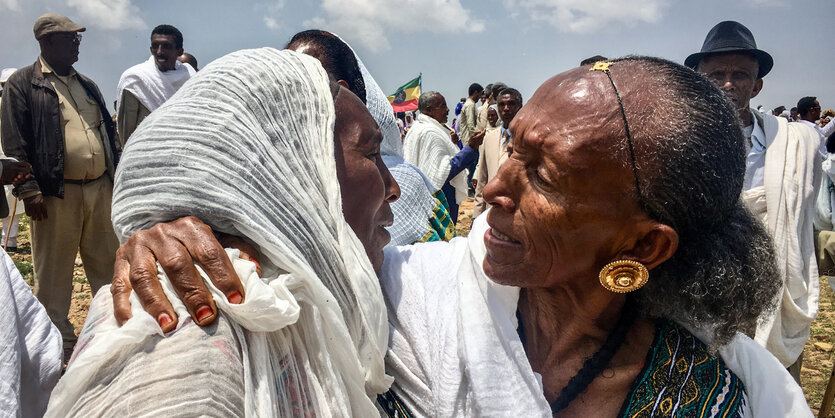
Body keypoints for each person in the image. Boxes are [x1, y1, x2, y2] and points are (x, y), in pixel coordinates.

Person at [112, 56, 811, 417]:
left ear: (645, 247)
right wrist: (182, 225)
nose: (494, 188)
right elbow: (257, 282)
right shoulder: (394, 294)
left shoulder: (728, 394)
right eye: (511, 147)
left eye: (544, 174)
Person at [46, 47, 400, 416]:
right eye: (372, 154)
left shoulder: (322, 287)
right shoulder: (185, 346)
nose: (394, 187)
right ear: (296, 171)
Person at [686, 20, 822, 382]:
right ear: (700, 81)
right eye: (716, 74)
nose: (729, 84)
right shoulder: (679, 143)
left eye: (740, 75)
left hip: (774, 293)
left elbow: (808, 213)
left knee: (773, 389)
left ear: (757, 84)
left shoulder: (796, 142)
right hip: (701, 291)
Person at [0, 13, 121, 364]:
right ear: (48, 42)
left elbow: (107, 136)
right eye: (71, 38)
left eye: (78, 37)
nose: (77, 42)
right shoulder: (24, 83)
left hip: (99, 190)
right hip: (54, 196)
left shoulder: (87, 84)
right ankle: (59, 351)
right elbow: (14, 142)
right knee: (54, 279)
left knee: (109, 268)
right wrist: (30, 191)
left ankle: (111, 336)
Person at [404, 91, 483, 223]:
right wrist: (470, 148)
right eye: (442, 106)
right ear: (429, 110)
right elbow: (443, 173)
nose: (447, 109)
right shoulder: (430, 132)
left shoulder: (419, 128)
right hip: (441, 201)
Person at [116, 24, 194, 144]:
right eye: (155, 46)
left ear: (179, 51)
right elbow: (126, 135)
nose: (159, 52)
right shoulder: (135, 79)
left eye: (166, 47)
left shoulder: (190, 76)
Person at [473, 88, 522, 218]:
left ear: (520, 107)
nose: (506, 108)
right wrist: (476, 216)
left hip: (517, 213)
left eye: (511, 104)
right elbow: (482, 181)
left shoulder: (527, 139)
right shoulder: (489, 138)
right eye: (501, 105)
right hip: (491, 213)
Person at [0, 68, 26, 251]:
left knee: (12, 201)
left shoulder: (20, 106)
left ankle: (9, 241)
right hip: (4, 160)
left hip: (11, 159)